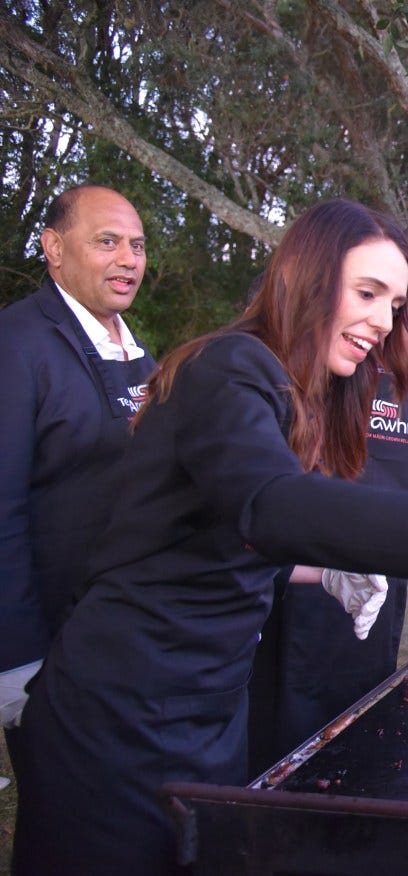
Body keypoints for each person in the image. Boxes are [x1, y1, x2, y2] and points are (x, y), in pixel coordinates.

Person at [11, 200, 408, 875]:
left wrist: (318, 570)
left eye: (393, 303)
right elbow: (268, 504)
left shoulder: (314, 389)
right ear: (308, 276)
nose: (380, 320)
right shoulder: (228, 367)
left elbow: (223, 541)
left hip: (210, 708)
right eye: (366, 292)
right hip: (118, 708)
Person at [249, 227, 408, 769]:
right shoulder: (312, 364)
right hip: (289, 593)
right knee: (279, 752)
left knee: (355, 739)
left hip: (376, 598)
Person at [0, 185, 156, 772]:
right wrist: (14, 659)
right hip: (54, 642)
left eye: (137, 246)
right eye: (107, 242)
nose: (128, 260)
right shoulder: (17, 343)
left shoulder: (136, 351)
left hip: (128, 633)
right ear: (54, 249)